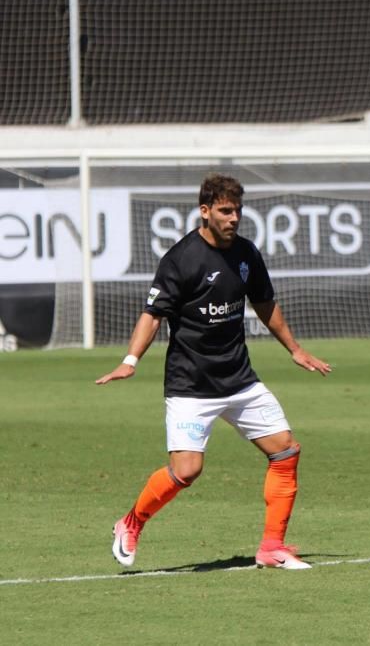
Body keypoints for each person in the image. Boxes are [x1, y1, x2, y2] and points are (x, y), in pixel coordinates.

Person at [96, 173, 331, 570]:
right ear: (204, 212)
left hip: (239, 379)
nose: (234, 217)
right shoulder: (181, 259)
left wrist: (295, 349)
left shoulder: (246, 253)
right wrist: (130, 361)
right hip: (191, 384)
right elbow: (153, 315)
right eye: (225, 210)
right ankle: (131, 522)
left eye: (238, 210)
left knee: (286, 451)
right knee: (187, 470)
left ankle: (272, 547)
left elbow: (265, 304)